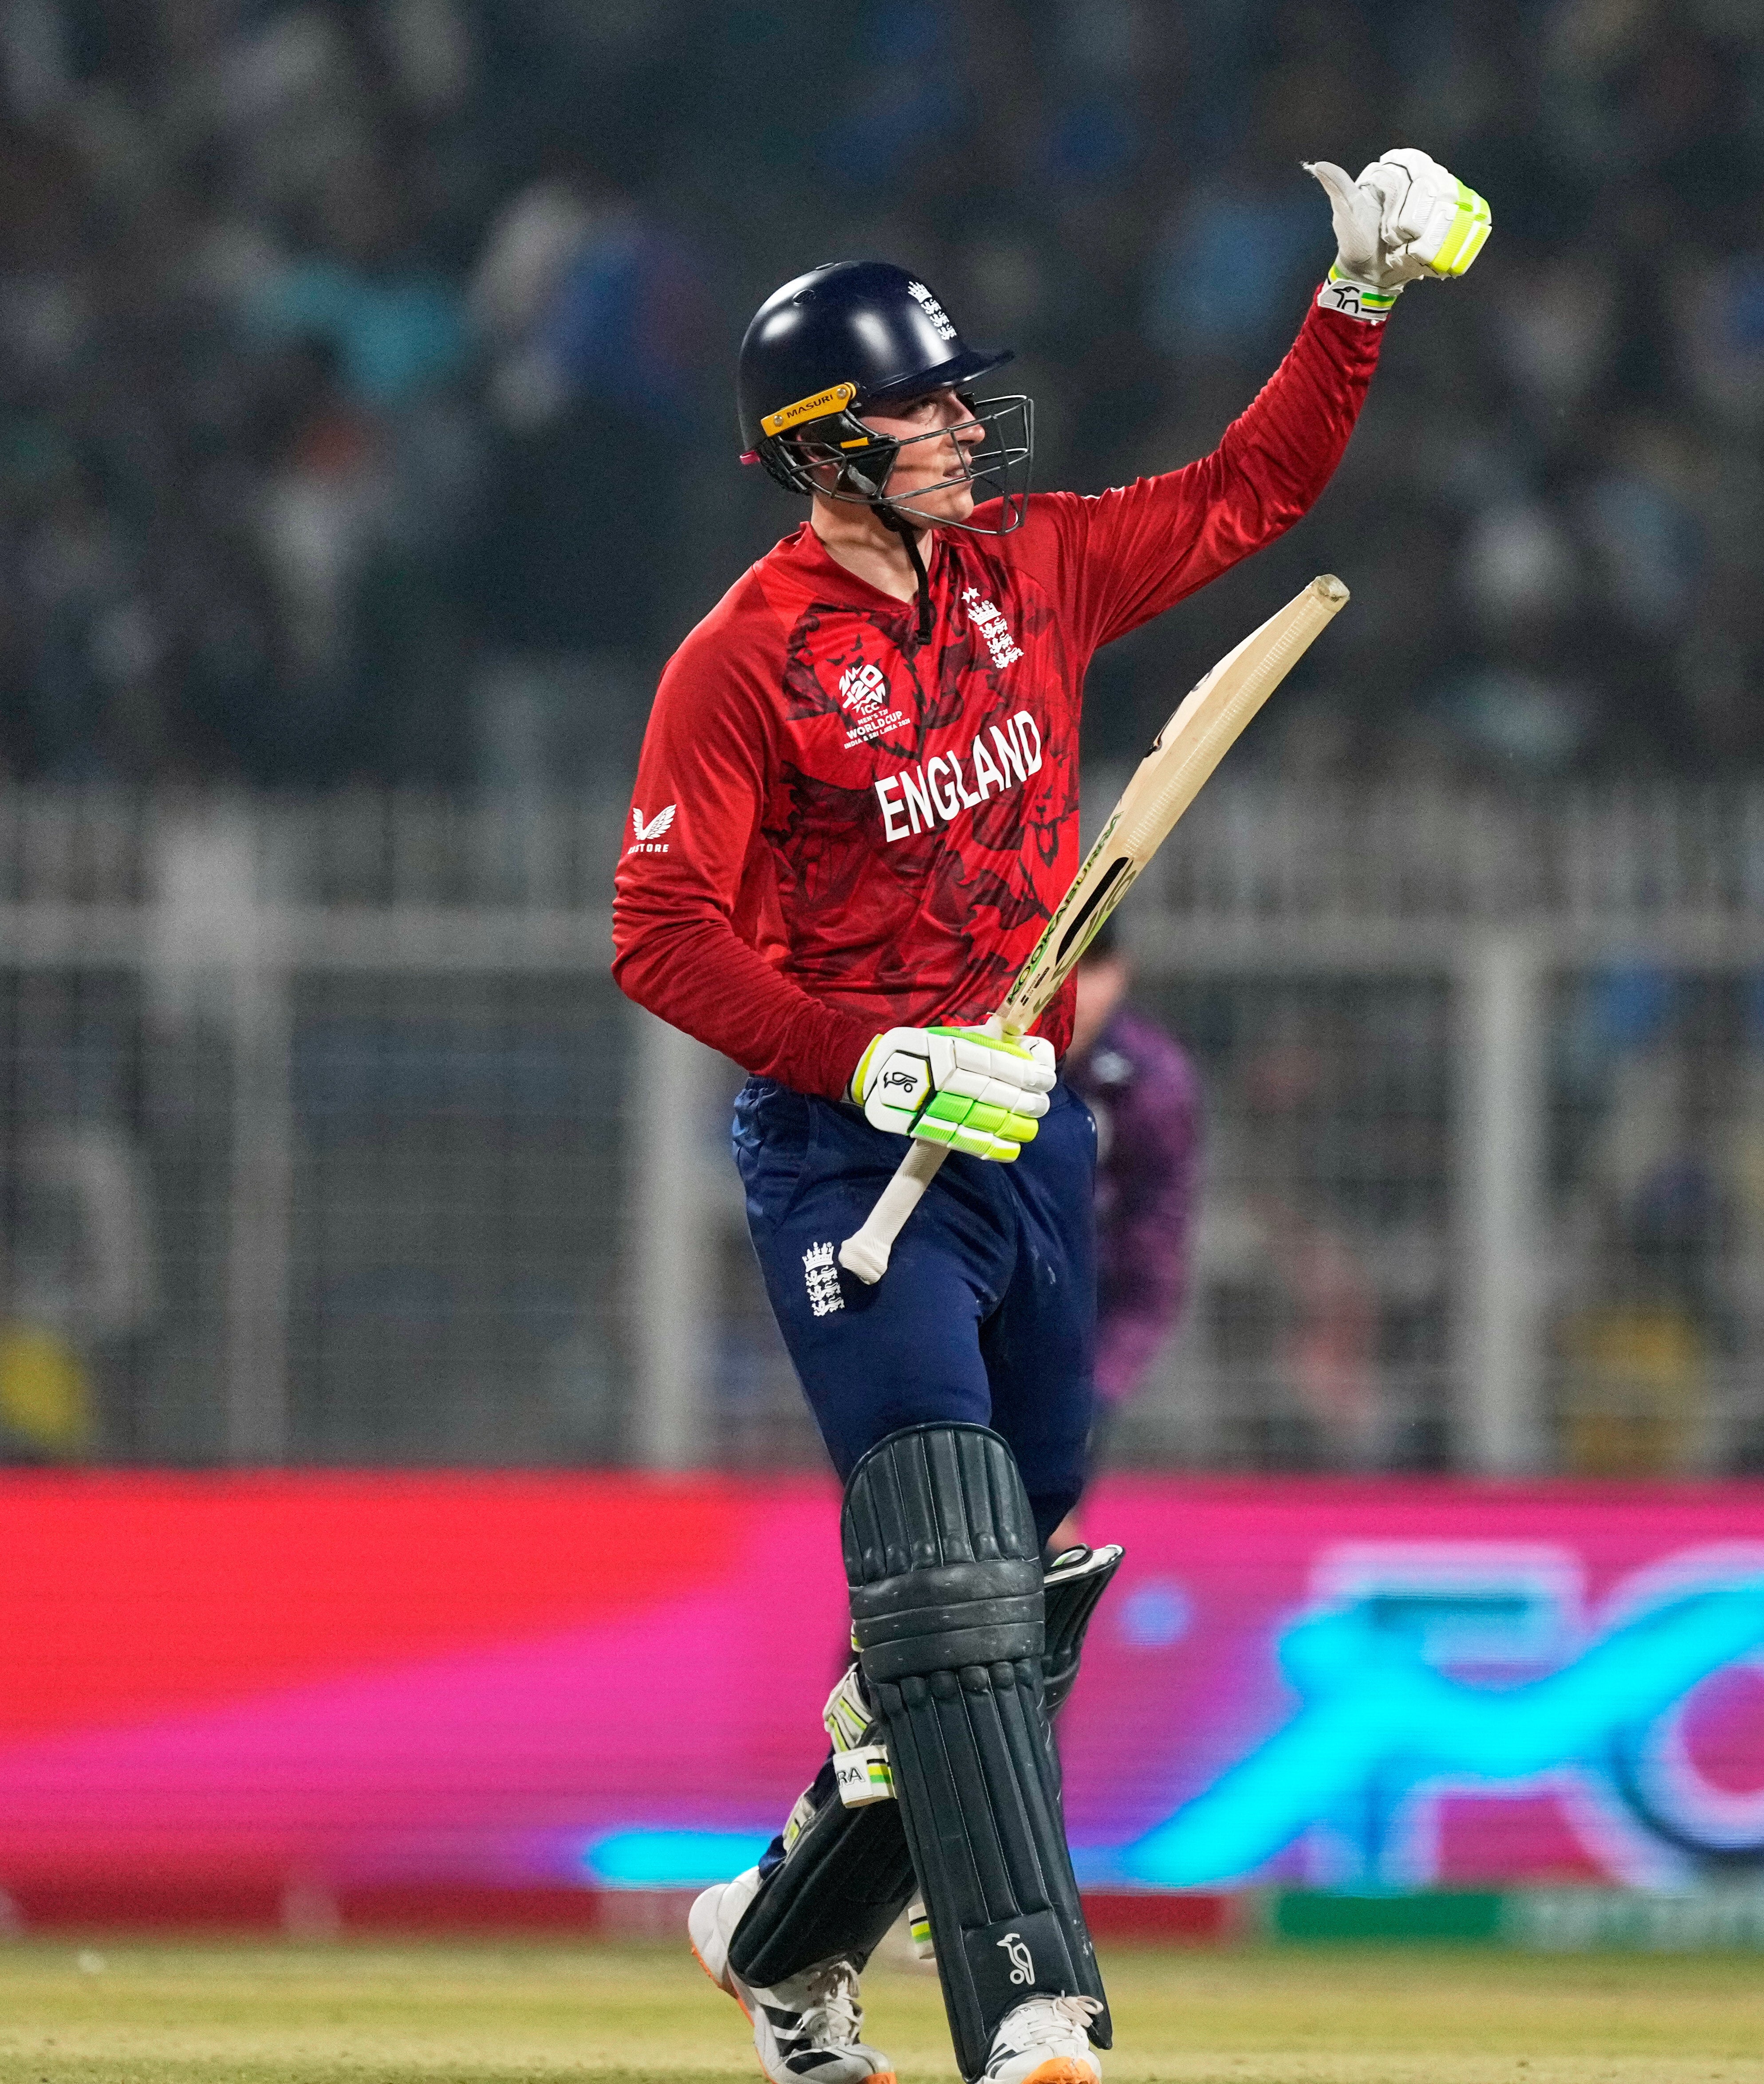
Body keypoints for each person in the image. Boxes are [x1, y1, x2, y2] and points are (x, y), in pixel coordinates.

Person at [608, 150, 1489, 2084]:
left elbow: (1250, 493)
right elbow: (655, 932)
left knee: (1007, 1584)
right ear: (826, 448)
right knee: (940, 1560)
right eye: (919, 408)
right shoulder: (742, 664)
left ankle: (775, 1936)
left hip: (1033, 1142)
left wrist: (1357, 306)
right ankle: (1034, 2013)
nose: (957, 427)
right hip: (854, 1159)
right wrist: (861, 1057)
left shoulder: (1032, 569)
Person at [1053, 935, 1204, 1547]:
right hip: (958, 1337)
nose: (1077, 992)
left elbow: (1153, 1260)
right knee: (921, 1560)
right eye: (1061, 967)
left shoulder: (1152, 1082)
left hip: (1074, 1348)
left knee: (1047, 1558)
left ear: (1122, 971)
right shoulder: (966, 1051)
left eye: (1093, 968)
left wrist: (1096, 1396)